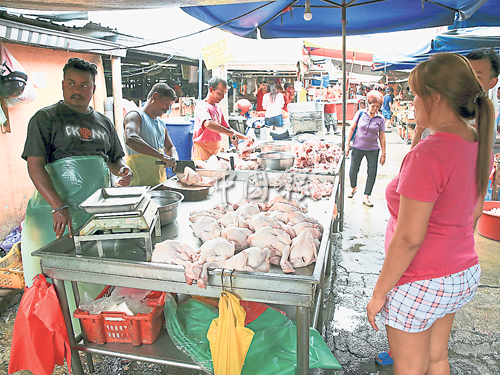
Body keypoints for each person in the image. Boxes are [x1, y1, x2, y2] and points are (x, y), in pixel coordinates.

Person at [367, 53, 494, 375]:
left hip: (421, 280)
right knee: (437, 358)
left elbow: (409, 238)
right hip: (460, 273)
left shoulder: (429, 154)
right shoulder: (477, 142)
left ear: (434, 98)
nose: (412, 103)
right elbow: (475, 211)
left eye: (415, 94)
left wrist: (379, 293)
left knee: (409, 367)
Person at [21, 57, 134, 288]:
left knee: (92, 278)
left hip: (94, 214)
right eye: (71, 83)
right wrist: (58, 206)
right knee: (53, 281)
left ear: (93, 88)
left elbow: (115, 159)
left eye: (84, 85)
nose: (77, 90)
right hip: (53, 216)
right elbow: (34, 165)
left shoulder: (104, 122)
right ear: (62, 85)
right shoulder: (45, 118)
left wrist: (123, 169)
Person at [410, 48, 500, 151]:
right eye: (464, 75)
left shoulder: (484, 117)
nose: (467, 82)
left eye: (477, 77)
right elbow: (418, 130)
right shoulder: (444, 104)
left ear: (492, 82)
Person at [124, 83, 177, 186]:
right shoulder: (135, 115)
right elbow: (131, 138)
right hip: (138, 183)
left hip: (159, 183)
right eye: (166, 103)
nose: (167, 109)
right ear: (155, 96)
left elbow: (170, 147)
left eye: (169, 106)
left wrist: (174, 159)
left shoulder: (161, 124)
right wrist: (161, 156)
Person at [345, 90, 386, 207]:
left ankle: (366, 196)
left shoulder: (380, 119)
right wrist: (347, 144)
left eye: (378, 106)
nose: (375, 109)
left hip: (373, 149)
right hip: (357, 147)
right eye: (373, 106)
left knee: (372, 172)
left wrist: (384, 153)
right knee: (353, 170)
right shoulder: (360, 113)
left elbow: (382, 137)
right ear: (369, 104)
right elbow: (352, 129)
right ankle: (353, 187)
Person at [192, 77, 246, 161]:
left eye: (224, 93)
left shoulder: (218, 108)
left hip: (216, 148)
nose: (222, 97)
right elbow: (208, 124)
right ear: (211, 89)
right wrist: (230, 133)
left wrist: (245, 138)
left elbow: (227, 128)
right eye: (219, 93)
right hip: (202, 149)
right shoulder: (202, 106)